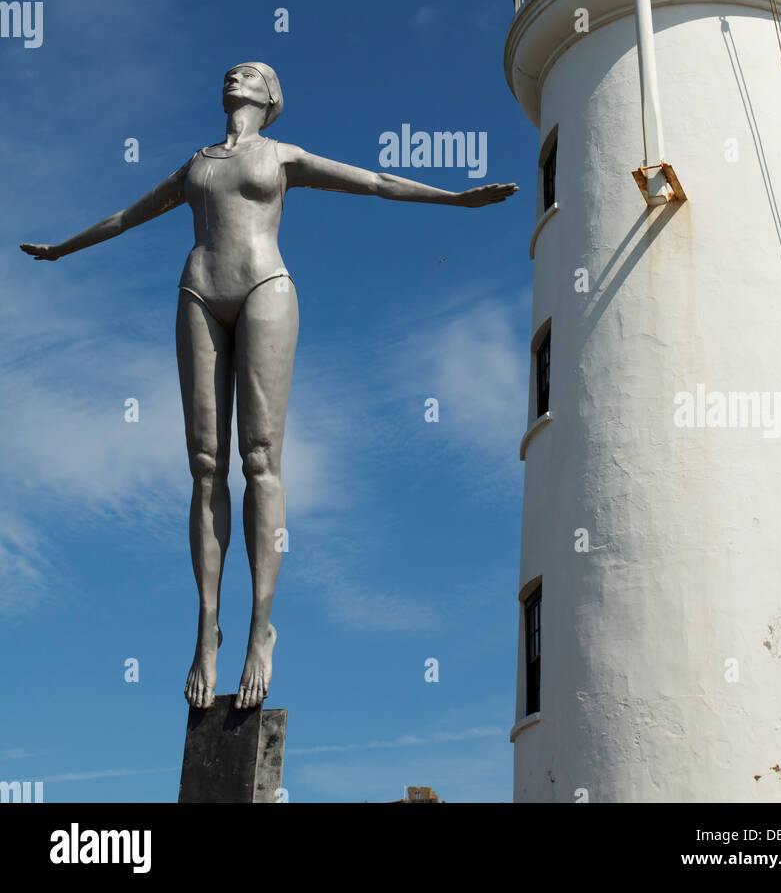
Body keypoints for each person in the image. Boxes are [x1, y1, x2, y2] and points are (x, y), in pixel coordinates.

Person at [21, 62, 518, 709]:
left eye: (252, 72)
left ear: (270, 95)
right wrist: (62, 250)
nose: (237, 75)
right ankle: (206, 634)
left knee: (260, 460)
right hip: (198, 290)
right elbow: (125, 216)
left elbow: (374, 180)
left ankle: (261, 630)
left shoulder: (284, 156)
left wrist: (453, 200)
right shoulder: (195, 163)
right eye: (232, 70)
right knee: (204, 464)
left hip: (265, 287)